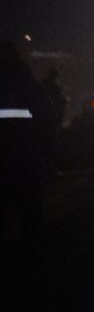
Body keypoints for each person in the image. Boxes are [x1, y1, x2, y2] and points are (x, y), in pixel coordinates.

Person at [0, 40, 57, 241]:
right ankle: (30, 252)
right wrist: (47, 155)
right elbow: (49, 122)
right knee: (30, 206)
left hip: (10, 158)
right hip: (28, 159)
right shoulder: (31, 87)